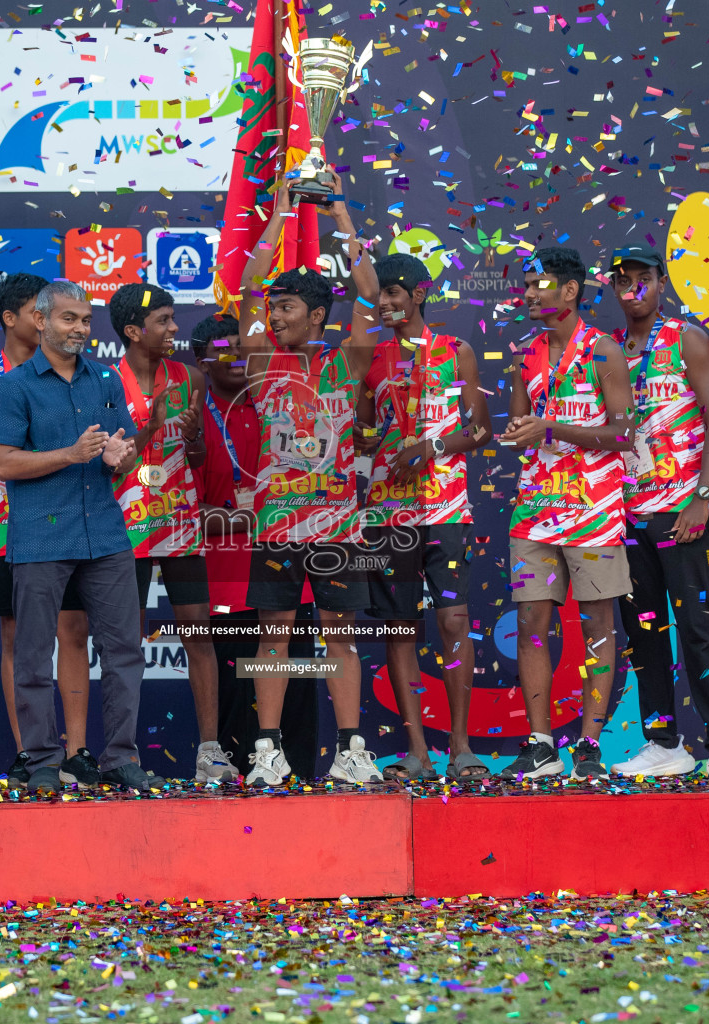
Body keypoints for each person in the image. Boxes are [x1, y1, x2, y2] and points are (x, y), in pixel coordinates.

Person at [236, 175, 383, 786]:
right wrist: (281, 214)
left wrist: (343, 214)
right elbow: (247, 287)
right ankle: (267, 752)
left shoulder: (346, 362)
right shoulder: (262, 361)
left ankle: (352, 751)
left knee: (339, 641)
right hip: (275, 525)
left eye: (287, 307)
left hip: (336, 527)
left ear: (317, 315)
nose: (274, 313)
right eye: (274, 308)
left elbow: (370, 298)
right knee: (273, 638)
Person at [0, 280, 159, 794]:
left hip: (105, 535)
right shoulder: (13, 386)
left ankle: (120, 758)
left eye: (85, 320)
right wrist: (71, 453)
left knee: (125, 650)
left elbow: (119, 449)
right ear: (40, 322)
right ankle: (42, 759)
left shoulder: (106, 380)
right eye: (69, 319)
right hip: (41, 538)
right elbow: (4, 463)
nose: (80, 329)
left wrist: (119, 456)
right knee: (35, 654)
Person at [604, 247, 709, 778]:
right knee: (644, 633)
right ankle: (664, 742)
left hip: (679, 512)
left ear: (661, 284)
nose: (634, 290)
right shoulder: (607, 350)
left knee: (698, 627)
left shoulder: (685, 338)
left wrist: (702, 496)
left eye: (644, 280)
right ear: (613, 289)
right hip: (622, 516)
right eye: (625, 282)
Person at [355, 253, 491, 782]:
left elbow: (480, 431)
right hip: (390, 514)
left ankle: (460, 747)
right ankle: (417, 751)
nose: (386, 302)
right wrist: (369, 440)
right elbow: (364, 433)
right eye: (380, 294)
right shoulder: (372, 357)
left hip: (447, 510)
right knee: (400, 629)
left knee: (454, 621)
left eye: (394, 293)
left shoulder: (457, 352)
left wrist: (430, 446)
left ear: (419, 292)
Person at [500, 246, 634, 782]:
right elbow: (518, 426)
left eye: (539, 284)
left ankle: (589, 745)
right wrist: (519, 432)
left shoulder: (603, 350)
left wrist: (551, 429)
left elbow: (624, 434)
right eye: (527, 286)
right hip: (534, 510)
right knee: (533, 620)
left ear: (571, 291)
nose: (529, 293)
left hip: (594, 509)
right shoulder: (524, 355)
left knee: (598, 622)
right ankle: (539, 744)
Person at [106, 282, 233, 782]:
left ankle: (210, 751)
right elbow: (111, 468)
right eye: (163, 320)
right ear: (134, 331)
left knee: (198, 637)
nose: (174, 328)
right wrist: (150, 427)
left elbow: (198, 459)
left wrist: (197, 438)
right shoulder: (104, 382)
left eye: (172, 318)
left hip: (181, 525)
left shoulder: (190, 378)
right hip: (125, 531)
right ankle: (125, 755)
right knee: (126, 646)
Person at [193, 314, 321, 779]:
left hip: (288, 576)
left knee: (298, 689)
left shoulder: (279, 408)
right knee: (234, 693)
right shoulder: (193, 421)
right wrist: (238, 518)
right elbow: (183, 509)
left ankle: (302, 776)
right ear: (201, 362)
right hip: (224, 584)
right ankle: (236, 786)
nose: (234, 357)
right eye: (221, 349)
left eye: (240, 348)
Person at [0, 272, 49, 754]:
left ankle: (71, 747)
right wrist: (11, 439)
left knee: (70, 632)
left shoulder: (67, 370)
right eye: (37, 312)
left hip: (64, 521)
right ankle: (29, 750)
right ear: (9, 317)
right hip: (5, 524)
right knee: (16, 637)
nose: (45, 321)